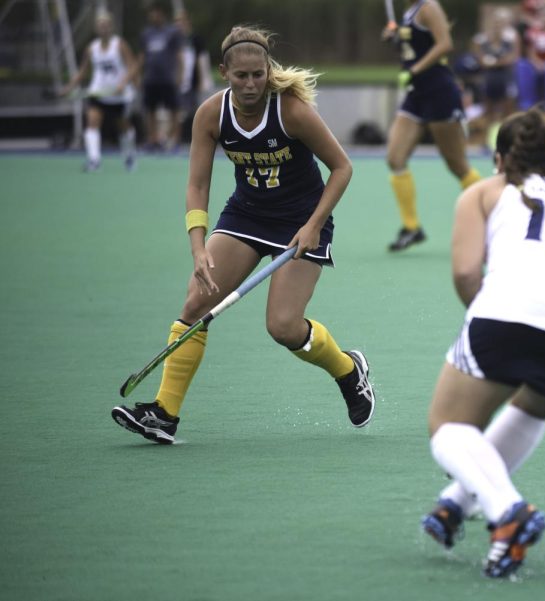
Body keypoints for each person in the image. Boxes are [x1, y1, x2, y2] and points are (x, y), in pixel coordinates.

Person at [111, 26, 374, 444]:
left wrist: (314, 224)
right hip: (246, 216)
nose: (251, 84)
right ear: (223, 73)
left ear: (268, 70)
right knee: (196, 301)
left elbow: (342, 168)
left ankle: (347, 370)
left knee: (284, 327)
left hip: (303, 221)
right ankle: (164, 413)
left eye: (258, 74)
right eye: (241, 76)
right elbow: (197, 185)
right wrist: (198, 247)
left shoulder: (292, 111)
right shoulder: (210, 115)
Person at [419, 109, 545, 578]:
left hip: (511, 314)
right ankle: (455, 503)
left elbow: (468, 273)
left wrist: (485, 327)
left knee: (447, 424)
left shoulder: (483, 192)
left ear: (499, 157)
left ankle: (508, 513)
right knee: (528, 408)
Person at [384, 0, 481, 252]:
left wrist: (414, 69)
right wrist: (396, 38)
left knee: (458, 166)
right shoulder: (408, 12)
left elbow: (445, 44)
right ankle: (411, 227)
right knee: (395, 158)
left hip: (439, 91)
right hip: (416, 93)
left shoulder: (428, 7)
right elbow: (415, 47)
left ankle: (493, 217)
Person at [58, 10, 138, 172]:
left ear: (111, 27)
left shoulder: (119, 44)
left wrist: (123, 83)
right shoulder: (91, 48)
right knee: (92, 123)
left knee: (123, 127)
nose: (104, 29)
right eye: (101, 26)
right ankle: (94, 160)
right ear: (97, 28)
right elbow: (82, 72)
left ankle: (129, 154)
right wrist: (68, 88)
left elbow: (132, 66)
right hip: (98, 93)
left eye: (107, 25)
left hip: (118, 95)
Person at [138, 1, 183, 152]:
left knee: (173, 110)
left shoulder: (172, 32)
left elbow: (179, 55)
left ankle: (174, 140)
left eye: (156, 12)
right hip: (151, 79)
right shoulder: (146, 34)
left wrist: (179, 76)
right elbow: (142, 57)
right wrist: (138, 76)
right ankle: (153, 139)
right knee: (150, 110)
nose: (154, 15)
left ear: (162, 14)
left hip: (167, 78)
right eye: (152, 13)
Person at [471, 8, 519, 144]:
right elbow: (479, 58)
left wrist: (495, 62)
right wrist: (489, 62)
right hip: (489, 78)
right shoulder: (481, 39)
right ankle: (487, 140)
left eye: (502, 22)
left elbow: (513, 57)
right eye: (496, 22)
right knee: (489, 109)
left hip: (505, 77)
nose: (498, 25)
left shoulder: (511, 38)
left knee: (508, 109)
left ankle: (508, 139)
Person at [174, 9, 213, 145]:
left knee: (198, 111)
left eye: (181, 22)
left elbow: (201, 60)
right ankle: (177, 139)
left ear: (187, 22)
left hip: (193, 82)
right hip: (179, 83)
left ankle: (201, 139)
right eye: (176, 22)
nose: (179, 25)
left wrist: (203, 80)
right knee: (178, 112)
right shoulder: (174, 41)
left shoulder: (196, 39)